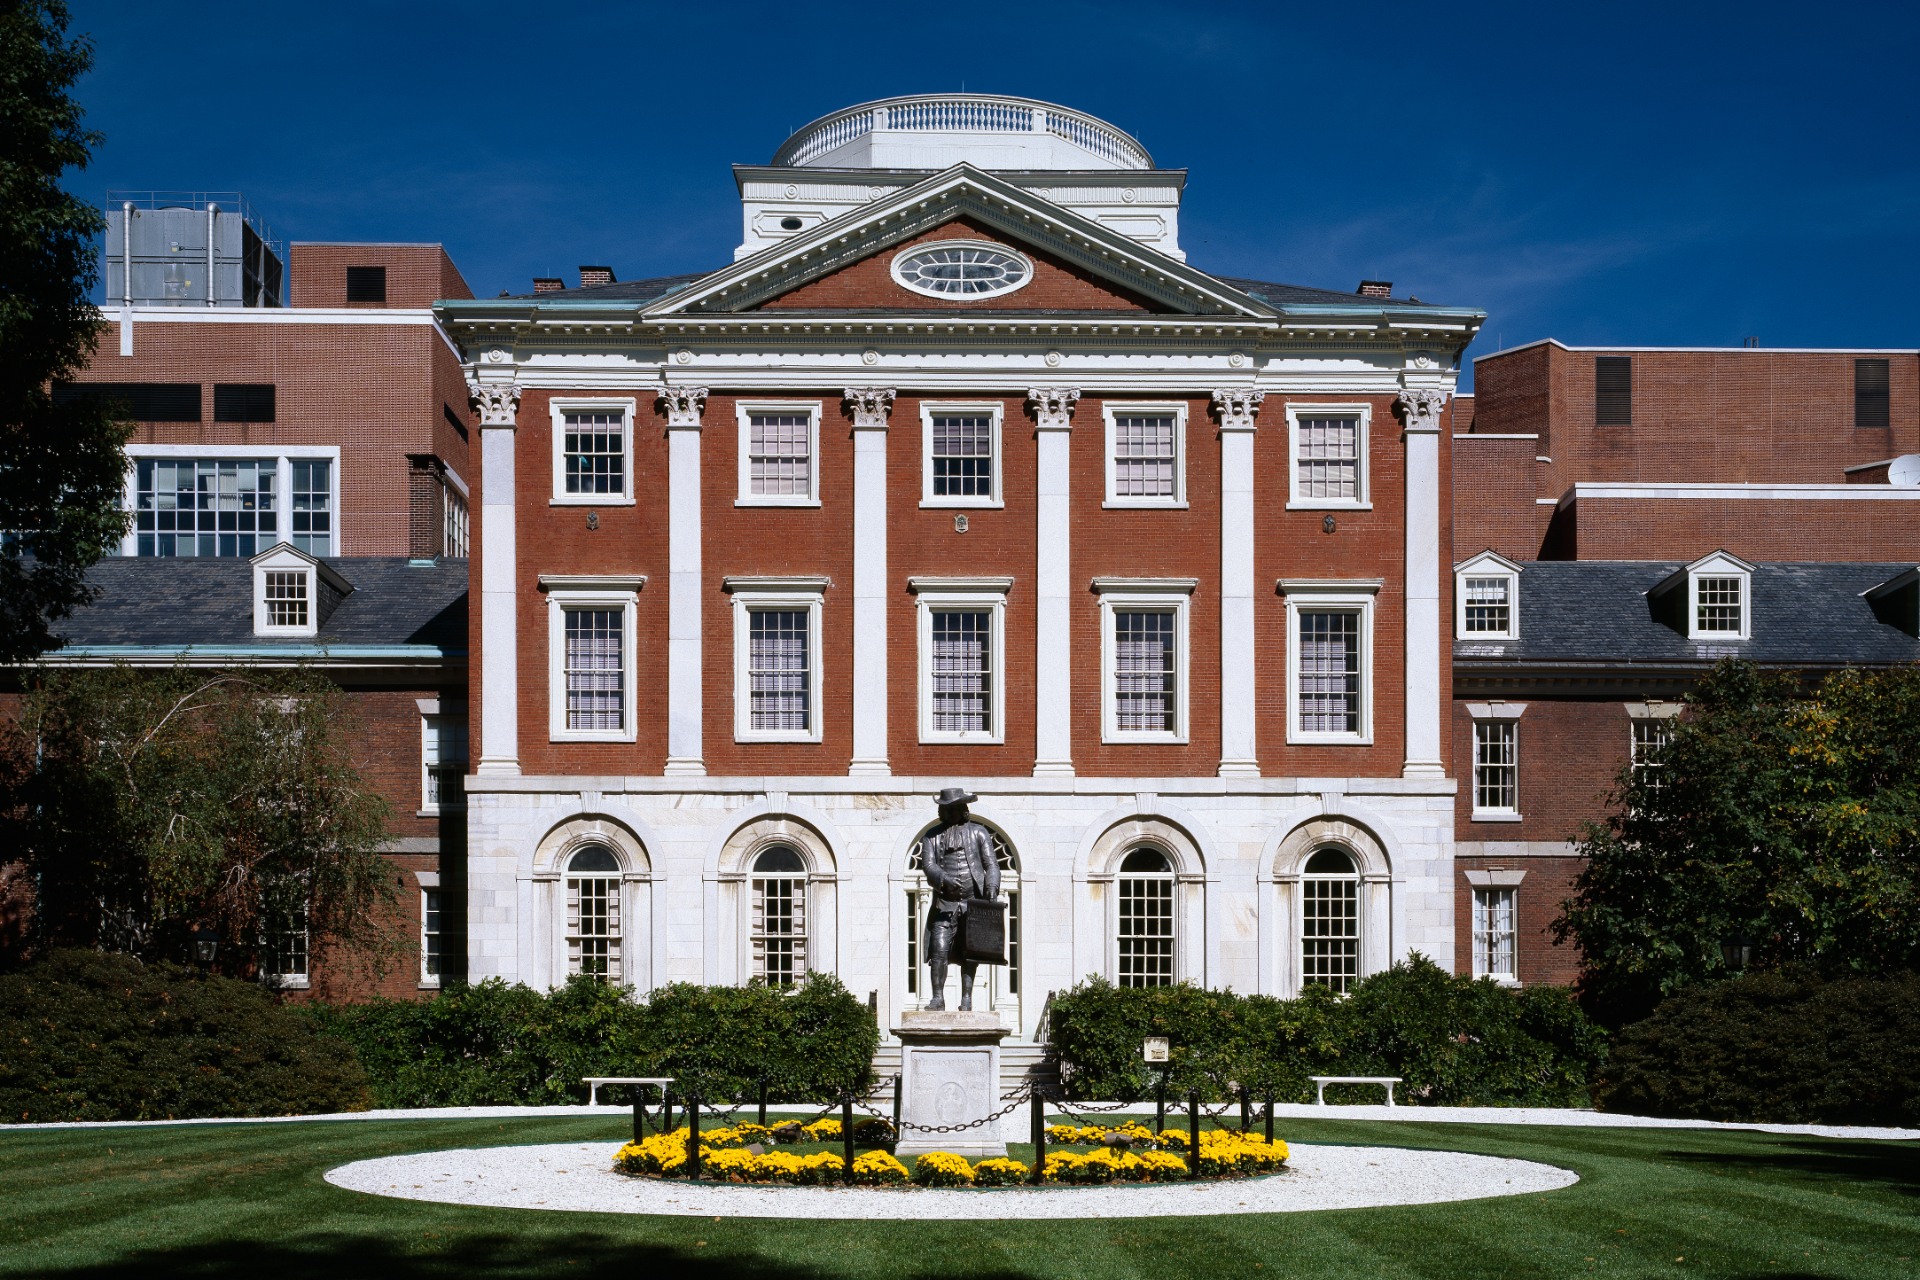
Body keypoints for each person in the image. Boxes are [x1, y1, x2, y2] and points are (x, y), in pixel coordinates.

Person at [919, 787, 1001, 1011]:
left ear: (963, 809)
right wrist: (943, 878)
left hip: (973, 901)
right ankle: (938, 998)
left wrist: (992, 886)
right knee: (939, 948)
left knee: (970, 951)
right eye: (946, 809)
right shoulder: (931, 836)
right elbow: (928, 865)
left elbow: (991, 864)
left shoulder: (979, 832)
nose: (949, 813)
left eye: (954, 808)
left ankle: (967, 998)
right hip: (945, 902)